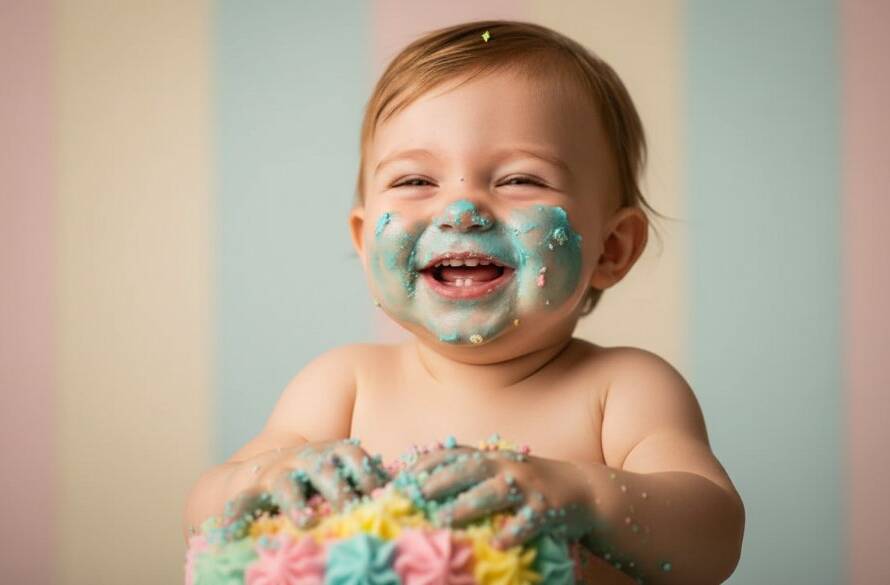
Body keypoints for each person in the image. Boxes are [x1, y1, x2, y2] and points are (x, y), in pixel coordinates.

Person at [184, 20, 744, 584]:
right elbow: (204, 511)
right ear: (362, 240)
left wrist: (579, 495)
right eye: (414, 182)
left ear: (612, 248)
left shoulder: (623, 390)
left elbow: (714, 534)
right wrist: (260, 481)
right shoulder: (344, 386)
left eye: (520, 178)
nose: (461, 210)